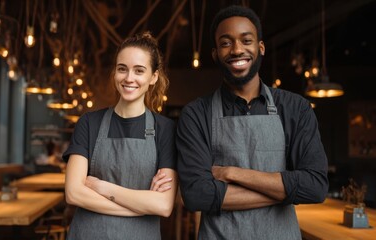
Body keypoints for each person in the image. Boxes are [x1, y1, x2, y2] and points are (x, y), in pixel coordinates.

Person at [176, 5, 328, 240]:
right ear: (215, 53)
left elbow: (315, 186)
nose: (237, 50)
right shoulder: (196, 114)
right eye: (226, 43)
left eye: (246, 40)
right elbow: (197, 195)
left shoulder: (295, 108)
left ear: (260, 47)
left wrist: (232, 173)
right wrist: (284, 192)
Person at [63, 32, 177, 240]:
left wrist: (101, 186)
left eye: (139, 71)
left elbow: (163, 205)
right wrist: (140, 207)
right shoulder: (89, 124)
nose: (128, 78)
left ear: (153, 77)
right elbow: (73, 193)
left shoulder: (166, 130)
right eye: (122, 69)